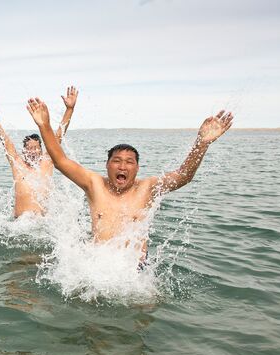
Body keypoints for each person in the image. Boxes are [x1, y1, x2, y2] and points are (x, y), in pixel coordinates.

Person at [25, 97, 233, 261]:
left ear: (137, 168)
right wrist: (44, 126)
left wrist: (202, 143)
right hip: (96, 263)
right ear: (107, 165)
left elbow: (184, 175)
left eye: (129, 162)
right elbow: (60, 161)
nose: (122, 166)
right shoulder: (94, 184)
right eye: (116, 161)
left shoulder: (147, 188)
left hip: (134, 269)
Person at [0, 86, 79, 217]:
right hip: (18, 225)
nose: (33, 151)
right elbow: (4, 140)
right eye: (29, 148)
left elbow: (58, 136)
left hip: (42, 225)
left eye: (36, 148)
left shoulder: (47, 162)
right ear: (23, 151)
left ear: (42, 150)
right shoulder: (17, 163)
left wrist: (70, 109)